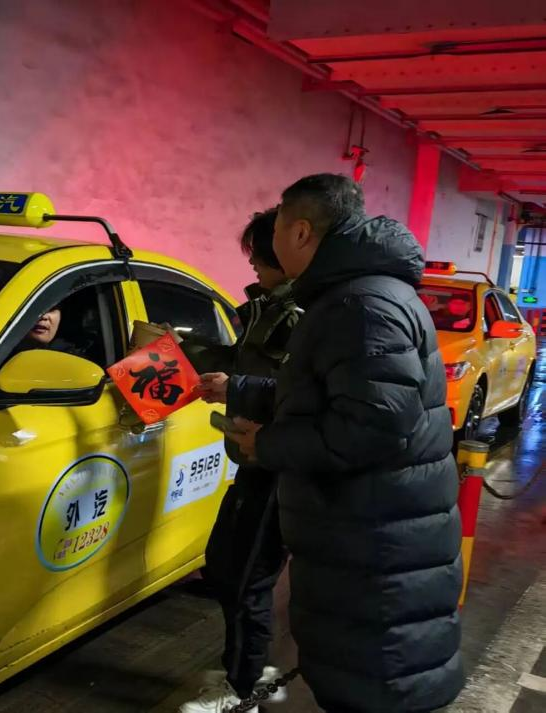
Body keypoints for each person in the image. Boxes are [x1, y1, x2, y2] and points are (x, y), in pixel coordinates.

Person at [200, 174, 463, 712]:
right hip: (368, 540)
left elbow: (373, 426)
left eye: (276, 225)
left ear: (300, 231)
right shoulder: (358, 296)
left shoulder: (361, 306)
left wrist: (268, 447)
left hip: (374, 547)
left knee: (372, 685)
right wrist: (245, 392)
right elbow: (334, 395)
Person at [181, 209, 300, 713]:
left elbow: (304, 391)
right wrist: (181, 347)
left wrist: (239, 388)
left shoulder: (304, 315)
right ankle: (245, 671)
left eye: (258, 255)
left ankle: (240, 689)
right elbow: (238, 360)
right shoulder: (264, 309)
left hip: (278, 465)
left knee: (247, 578)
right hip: (253, 460)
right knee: (227, 567)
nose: (251, 264)